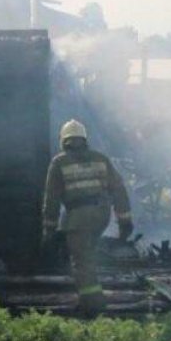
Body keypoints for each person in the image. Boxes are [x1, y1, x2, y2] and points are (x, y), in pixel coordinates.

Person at [41, 119, 133, 317]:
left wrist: (49, 229)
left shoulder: (59, 162)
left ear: (63, 141)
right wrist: (125, 220)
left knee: (81, 260)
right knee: (88, 254)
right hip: (102, 214)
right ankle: (93, 296)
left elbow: (52, 199)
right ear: (84, 139)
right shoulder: (100, 159)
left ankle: (92, 304)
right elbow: (118, 188)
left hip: (79, 217)